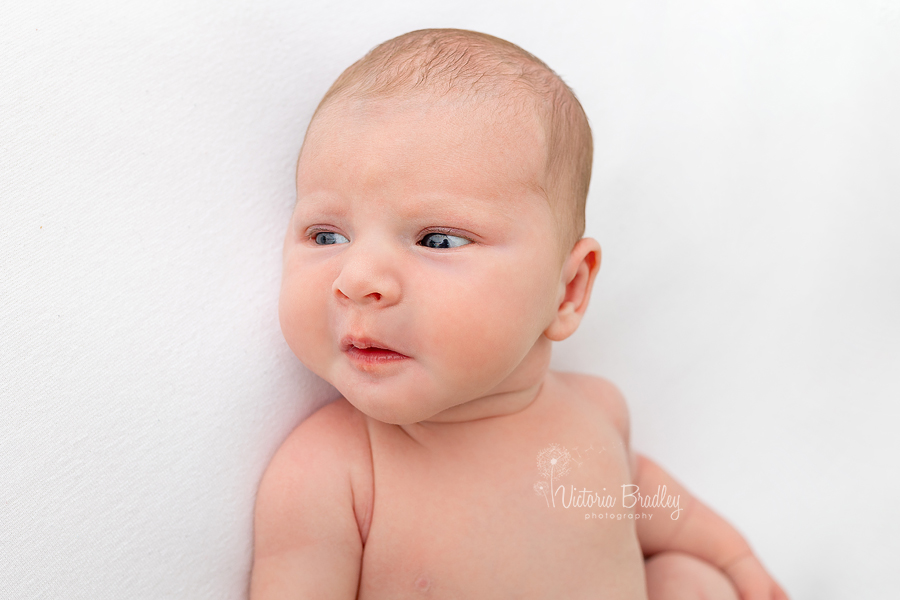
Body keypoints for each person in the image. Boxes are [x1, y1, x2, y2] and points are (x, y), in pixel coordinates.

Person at [250, 28, 788, 599]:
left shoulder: (595, 415)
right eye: (326, 234)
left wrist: (739, 562)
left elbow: (658, 509)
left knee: (690, 579)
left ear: (567, 291)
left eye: (438, 241)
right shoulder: (333, 474)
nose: (356, 280)